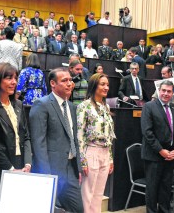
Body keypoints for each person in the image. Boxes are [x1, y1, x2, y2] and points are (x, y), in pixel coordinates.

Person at [29, 67, 83, 212]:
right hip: (51, 170)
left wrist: (77, 167)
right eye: (64, 80)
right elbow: (38, 143)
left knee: (78, 209)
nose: (69, 84)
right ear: (53, 83)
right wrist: (46, 175)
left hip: (70, 169)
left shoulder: (71, 107)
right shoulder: (42, 104)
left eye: (70, 80)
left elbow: (74, 139)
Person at [0, 63, 32, 204]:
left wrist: (28, 164)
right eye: (9, 78)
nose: (14, 82)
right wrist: (10, 169)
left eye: (15, 78)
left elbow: (25, 136)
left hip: (20, 165)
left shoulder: (19, 104)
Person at [141, 80, 174, 213]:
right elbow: (147, 132)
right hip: (154, 156)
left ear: (172, 93)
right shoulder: (149, 106)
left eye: (169, 91)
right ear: (159, 91)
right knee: (152, 190)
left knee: (166, 189)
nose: (166, 93)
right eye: (163, 90)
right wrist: (161, 150)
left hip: (170, 157)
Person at [77, 73, 116, 213]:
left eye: (107, 85)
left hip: (105, 153)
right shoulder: (84, 106)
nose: (106, 87)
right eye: (102, 84)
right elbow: (79, 135)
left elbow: (109, 136)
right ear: (94, 85)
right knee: (87, 193)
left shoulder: (106, 107)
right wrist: (82, 161)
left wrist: (110, 158)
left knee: (99, 194)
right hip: (91, 151)